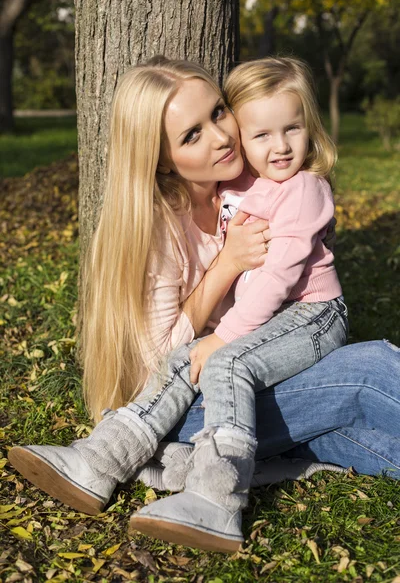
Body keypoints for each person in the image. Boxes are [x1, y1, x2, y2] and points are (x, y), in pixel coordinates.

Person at [7, 57, 400, 554]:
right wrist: (226, 266)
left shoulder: (252, 185)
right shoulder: (156, 226)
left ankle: (107, 464)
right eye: (192, 135)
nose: (221, 136)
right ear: (162, 160)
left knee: (343, 422)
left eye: (218, 112)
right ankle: (160, 478)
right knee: (365, 372)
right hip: (181, 404)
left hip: (236, 375)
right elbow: (163, 358)